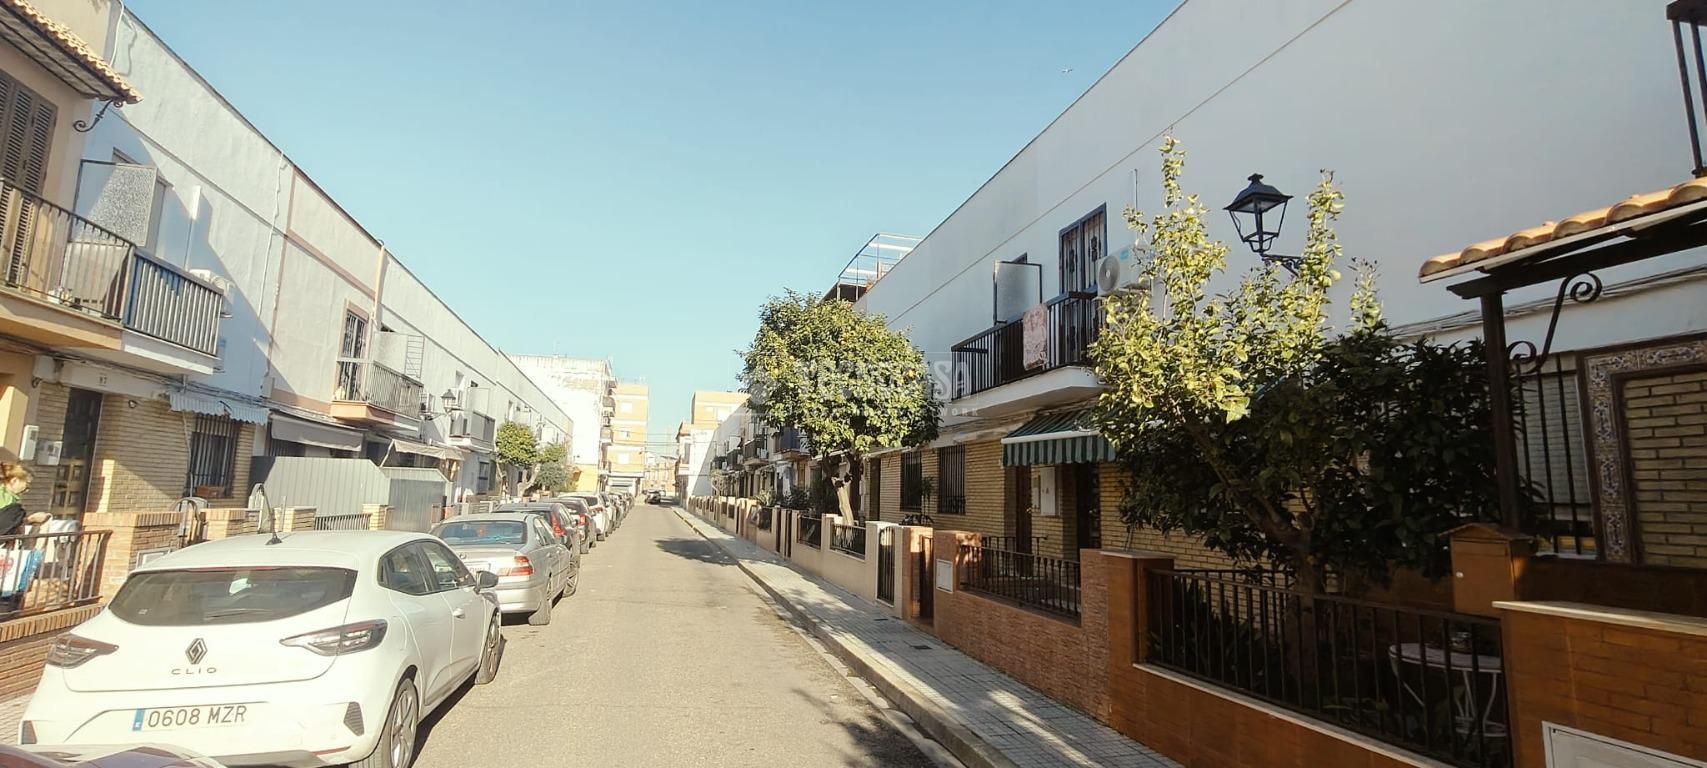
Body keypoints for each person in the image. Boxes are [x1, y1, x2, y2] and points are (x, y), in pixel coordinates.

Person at [0, 464, 48, 536]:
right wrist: (31, 519)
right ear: (14, 480)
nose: (27, 489)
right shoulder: (5, 497)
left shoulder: (12, 497)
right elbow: (6, 523)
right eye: (27, 484)